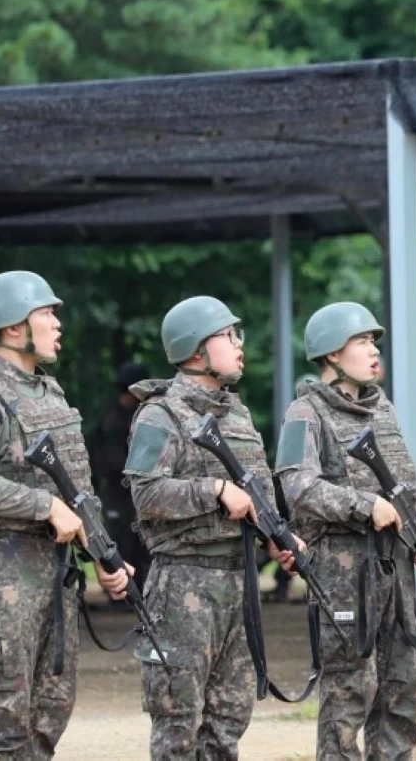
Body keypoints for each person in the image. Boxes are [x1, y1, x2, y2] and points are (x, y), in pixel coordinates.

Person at [0, 270, 131, 758]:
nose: (56, 324)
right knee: (1, 719)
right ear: (12, 328)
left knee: (50, 711)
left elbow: (78, 491)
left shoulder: (48, 392)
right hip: (1, 573)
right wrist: (44, 506)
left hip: (55, 574)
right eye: (46, 313)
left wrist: (104, 555)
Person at [124, 295, 297, 759]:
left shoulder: (236, 416)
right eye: (228, 335)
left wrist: (278, 537)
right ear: (197, 349)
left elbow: (257, 496)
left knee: (227, 722)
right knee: (178, 725)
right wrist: (215, 490)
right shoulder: (160, 415)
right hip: (184, 584)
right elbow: (147, 495)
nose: (240, 344)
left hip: (237, 584)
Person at [275, 301, 416, 761]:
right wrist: (365, 506)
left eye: (373, 342)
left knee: (402, 692)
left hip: (395, 570)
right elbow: (297, 485)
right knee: (348, 694)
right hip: (343, 573)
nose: (373, 351)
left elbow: (402, 491)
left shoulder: (381, 409)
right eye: (361, 341)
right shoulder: (305, 413)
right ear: (331, 354)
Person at [92, 360, 152, 600]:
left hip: (138, 493)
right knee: (120, 540)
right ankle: (120, 593)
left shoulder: (143, 416)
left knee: (141, 542)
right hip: (117, 491)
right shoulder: (113, 420)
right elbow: (107, 459)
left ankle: (140, 590)